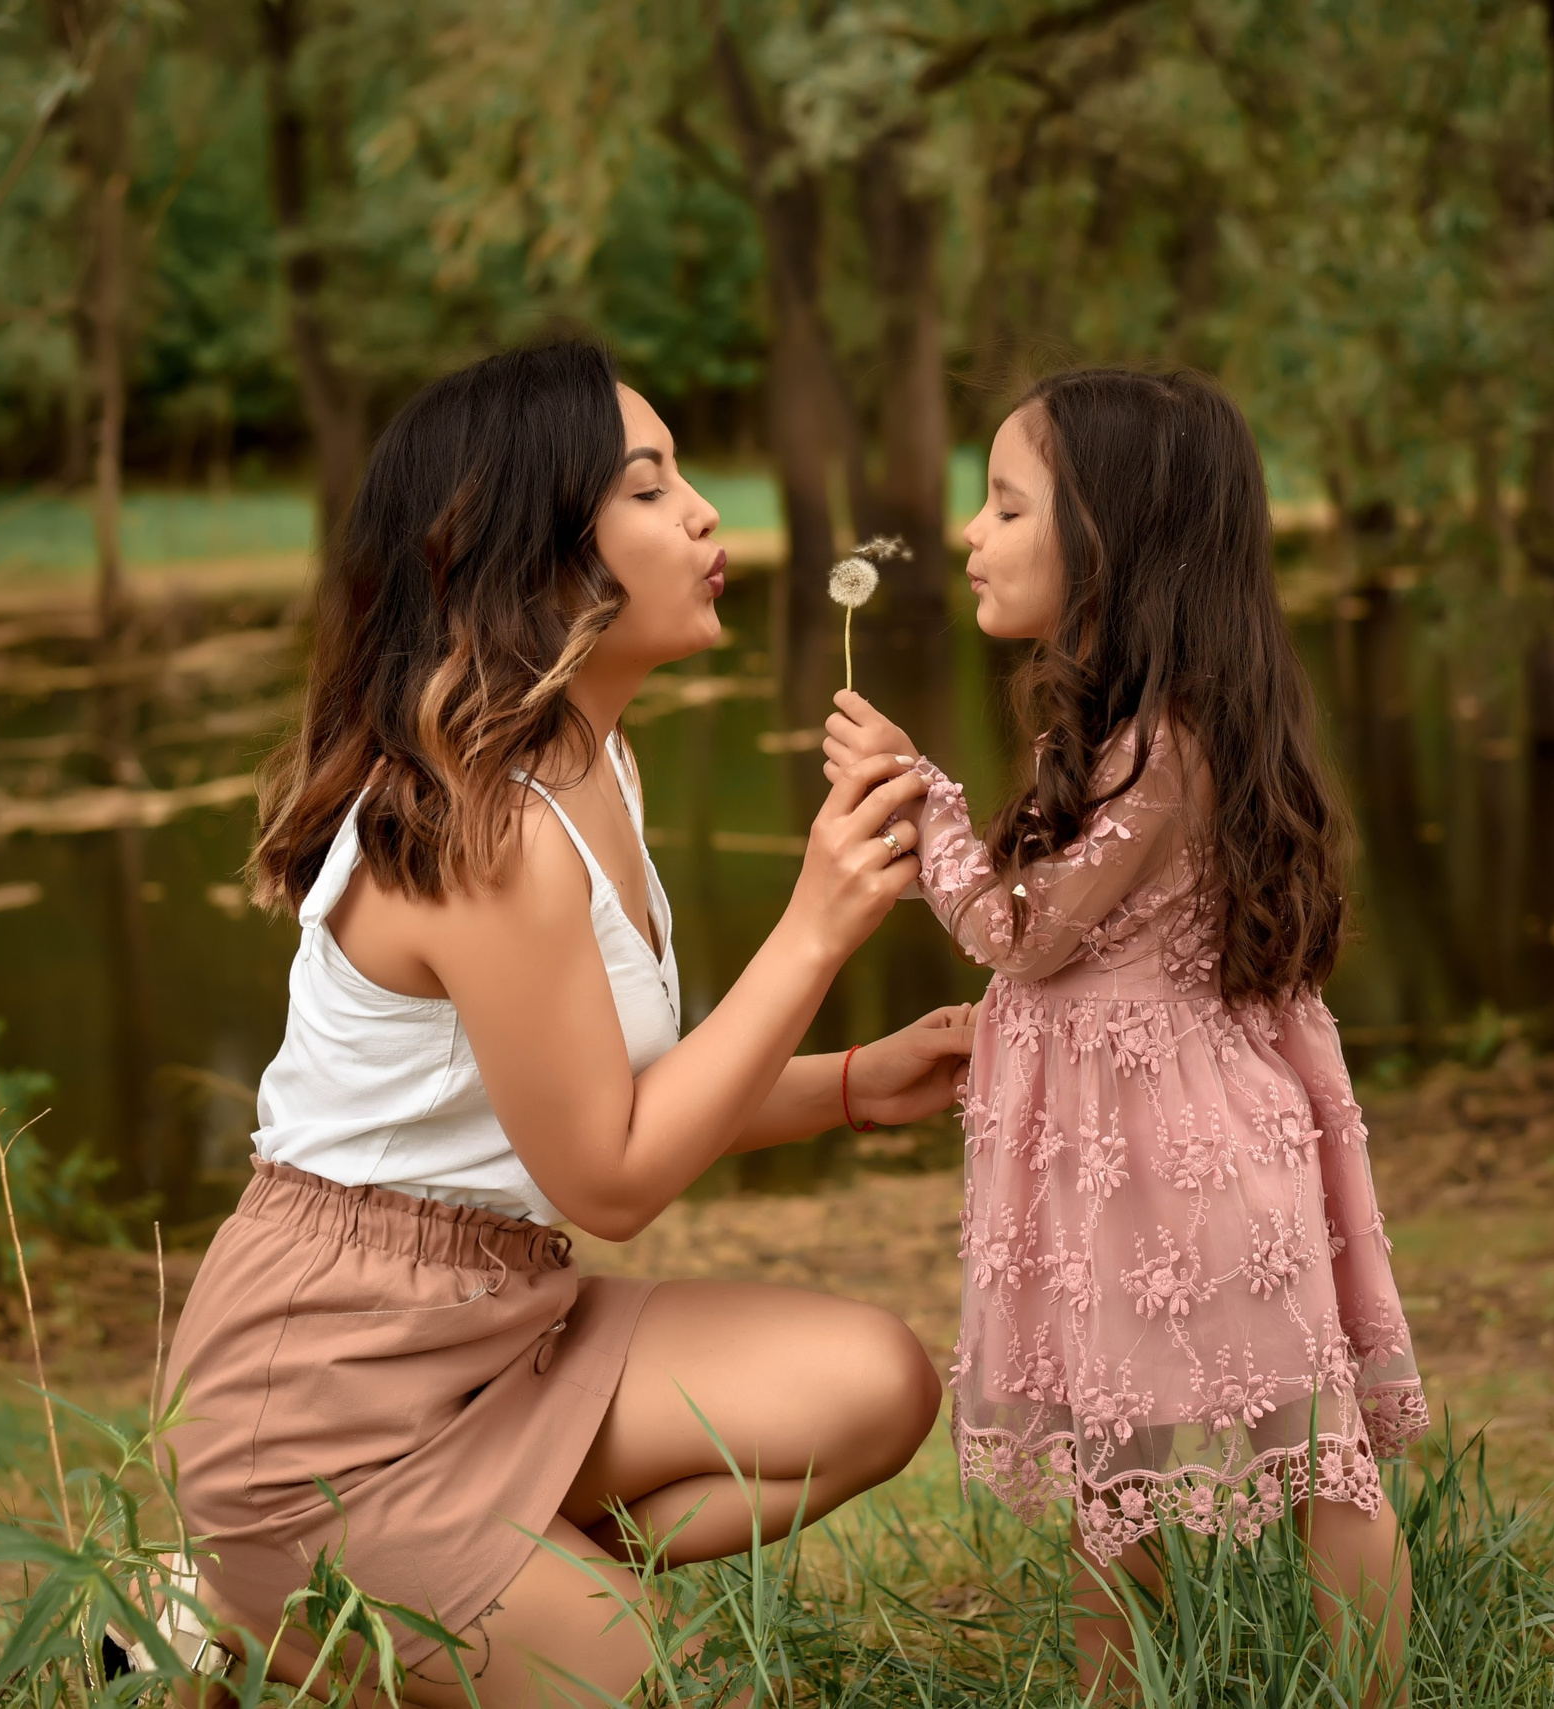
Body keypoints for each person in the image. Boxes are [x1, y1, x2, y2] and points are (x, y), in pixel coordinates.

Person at [159, 340, 973, 1707]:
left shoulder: (595, 765)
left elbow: (614, 1092)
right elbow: (609, 1176)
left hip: (503, 1326)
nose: (705, 512)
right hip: (327, 1399)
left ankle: (455, 1600)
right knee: (651, 1687)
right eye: (650, 490)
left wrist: (843, 1086)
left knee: (877, 1385)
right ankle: (255, 1607)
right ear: (533, 554)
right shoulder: (481, 826)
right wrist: (816, 928)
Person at [824, 367, 1428, 1702]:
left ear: (1112, 544)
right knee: (1113, 1466)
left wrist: (921, 804)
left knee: (1316, 1448)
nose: (971, 534)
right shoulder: (1131, 736)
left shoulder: (1165, 748)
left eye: (1004, 505)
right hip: (1112, 1167)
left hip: (1191, 1165)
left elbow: (1019, 929)